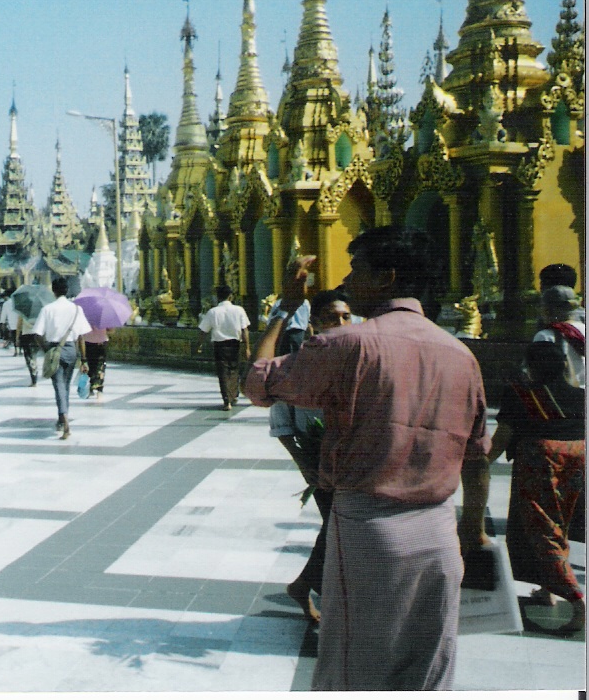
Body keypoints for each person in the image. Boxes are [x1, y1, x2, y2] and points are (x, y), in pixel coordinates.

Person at [244, 226, 491, 692]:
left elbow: (258, 382)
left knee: (355, 669)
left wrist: (285, 307)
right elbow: (477, 458)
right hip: (439, 530)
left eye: (357, 269)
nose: (346, 279)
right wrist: (473, 529)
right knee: (427, 669)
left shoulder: (348, 345)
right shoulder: (461, 354)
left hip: (370, 530)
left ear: (386, 278)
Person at [267, 289, 353, 625]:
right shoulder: (296, 365)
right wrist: (305, 464)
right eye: (332, 317)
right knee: (339, 526)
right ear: (314, 323)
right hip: (319, 461)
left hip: (358, 459)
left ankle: (306, 586)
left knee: (341, 527)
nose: (340, 323)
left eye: (346, 317)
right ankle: (315, 589)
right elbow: (282, 424)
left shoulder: (362, 360)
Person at [490, 341, 586, 632]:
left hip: (540, 461)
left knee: (542, 529)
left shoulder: (522, 394)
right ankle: (547, 590)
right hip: (577, 457)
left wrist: (481, 463)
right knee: (560, 525)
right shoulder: (580, 395)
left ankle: (578, 601)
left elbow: (502, 436)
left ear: (531, 366)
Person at [32, 276, 93, 439]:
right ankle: (62, 417)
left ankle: (65, 422)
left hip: (54, 349)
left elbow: (37, 334)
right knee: (65, 385)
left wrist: (47, 349)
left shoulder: (48, 309)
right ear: (67, 290)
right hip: (71, 350)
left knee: (59, 385)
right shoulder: (76, 309)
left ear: (53, 291)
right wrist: (84, 359)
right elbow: (81, 337)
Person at [197, 285, 250, 411]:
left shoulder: (213, 312)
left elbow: (203, 331)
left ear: (217, 297)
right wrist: (247, 347)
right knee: (234, 369)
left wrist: (199, 344)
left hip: (220, 346)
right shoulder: (239, 310)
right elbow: (245, 330)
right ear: (231, 296)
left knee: (223, 372)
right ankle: (233, 395)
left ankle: (227, 401)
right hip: (235, 344)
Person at [534, 285, 585, 388]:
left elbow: (536, 372)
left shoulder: (545, 336)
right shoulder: (584, 329)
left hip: (563, 395)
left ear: (547, 310)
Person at [80, 325, 109, 400]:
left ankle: (90, 388)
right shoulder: (104, 318)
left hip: (88, 342)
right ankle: (99, 390)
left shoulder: (86, 318)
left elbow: (81, 332)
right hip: (102, 342)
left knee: (90, 366)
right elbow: (111, 330)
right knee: (101, 367)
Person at [15, 316, 39, 386]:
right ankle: (34, 366)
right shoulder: (39, 313)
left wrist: (17, 338)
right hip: (36, 336)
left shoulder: (22, 313)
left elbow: (19, 326)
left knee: (28, 356)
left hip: (26, 336)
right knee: (34, 355)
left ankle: (33, 380)